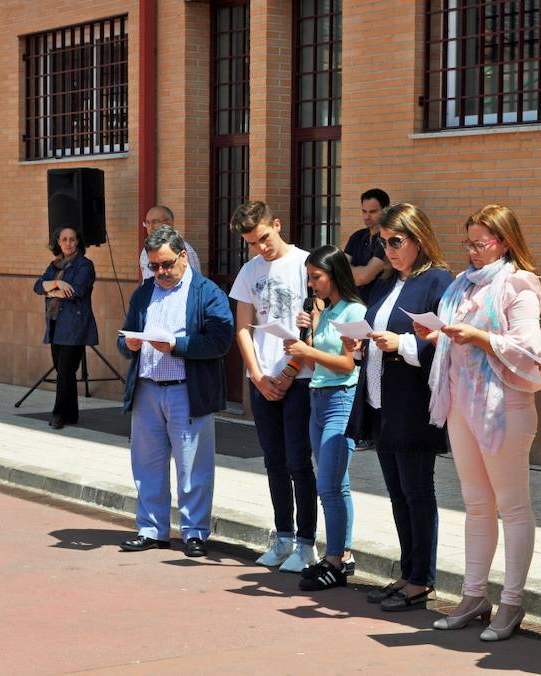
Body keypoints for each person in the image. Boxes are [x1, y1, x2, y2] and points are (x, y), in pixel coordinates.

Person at [418, 204, 541, 641]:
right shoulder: (460, 284)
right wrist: (437, 333)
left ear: (504, 241)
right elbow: (453, 334)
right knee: (476, 503)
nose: (473, 251)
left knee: (512, 507)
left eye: (481, 243)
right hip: (461, 403)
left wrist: (480, 337)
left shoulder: (518, 283)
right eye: (469, 242)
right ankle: (474, 594)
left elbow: (529, 348)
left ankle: (512, 602)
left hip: (504, 407)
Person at [343, 204, 453, 612]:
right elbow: (377, 331)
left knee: (417, 492)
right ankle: (409, 573)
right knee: (398, 494)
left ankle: (422, 578)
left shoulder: (438, 281)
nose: (388, 250)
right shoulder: (391, 280)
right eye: (382, 242)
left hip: (413, 402)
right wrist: (359, 344)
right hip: (381, 400)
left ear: (418, 238)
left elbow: (441, 341)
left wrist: (402, 344)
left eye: (395, 241)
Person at [117, 226, 234, 558]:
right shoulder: (144, 293)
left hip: (187, 391)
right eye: (154, 266)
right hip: (147, 390)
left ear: (184, 256)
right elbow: (123, 339)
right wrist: (127, 343)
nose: (161, 273)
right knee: (147, 464)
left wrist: (176, 345)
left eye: (166, 264)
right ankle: (151, 529)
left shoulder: (207, 292)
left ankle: (194, 531)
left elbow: (220, 341)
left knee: (193, 465)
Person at [228, 201, 319, 573]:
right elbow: (243, 329)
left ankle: (306, 543)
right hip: (263, 380)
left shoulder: (305, 263)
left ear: (277, 225)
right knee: (274, 462)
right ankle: (282, 537)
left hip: (299, 377)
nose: (260, 247)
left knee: (299, 461)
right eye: (252, 243)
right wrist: (258, 376)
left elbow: (317, 321)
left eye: (264, 238)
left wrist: (287, 372)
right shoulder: (249, 272)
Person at [283, 245, 365, 591]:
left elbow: (349, 364)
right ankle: (341, 556)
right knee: (334, 483)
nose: (311, 283)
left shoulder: (354, 310)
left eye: (316, 276)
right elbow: (317, 366)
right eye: (308, 277)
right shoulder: (324, 311)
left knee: (328, 485)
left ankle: (333, 559)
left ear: (334, 275)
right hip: (317, 397)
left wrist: (306, 350)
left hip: (342, 399)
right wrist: (311, 333)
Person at [33, 226, 99, 430]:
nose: (68, 243)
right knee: (65, 372)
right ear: (58, 243)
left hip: (75, 326)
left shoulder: (85, 265)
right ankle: (71, 415)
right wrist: (58, 285)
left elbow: (76, 291)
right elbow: (37, 286)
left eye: (72, 239)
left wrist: (51, 288)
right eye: (64, 239)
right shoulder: (55, 265)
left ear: (78, 241)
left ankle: (59, 415)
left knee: (64, 373)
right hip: (55, 324)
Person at [344, 188, 389, 302]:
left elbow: (363, 277)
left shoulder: (388, 240)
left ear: (385, 210)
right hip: (354, 304)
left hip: (377, 303)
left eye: (373, 212)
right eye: (364, 211)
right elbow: (339, 270)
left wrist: (351, 271)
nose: (367, 216)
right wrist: (359, 271)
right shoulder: (357, 236)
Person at [139, 205, 201, 280]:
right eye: (147, 223)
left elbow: (194, 282)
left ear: (169, 223)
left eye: (155, 222)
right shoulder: (145, 251)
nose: (150, 227)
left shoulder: (183, 249)